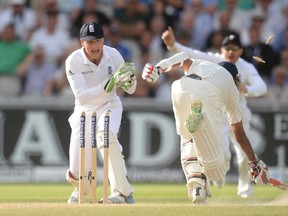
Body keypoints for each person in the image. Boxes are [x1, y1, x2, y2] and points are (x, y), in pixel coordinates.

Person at [141, 52, 270, 204]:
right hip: (207, 98)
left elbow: (182, 57)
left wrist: (159, 68)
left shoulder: (203, 65)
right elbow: (239, 135)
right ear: (236, 79)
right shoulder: (232, 88)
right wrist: (254, 162)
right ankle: (199, 126)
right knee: (216, 171)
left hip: (179, 88)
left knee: (187, 139)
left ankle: (198, 188)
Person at [161, 27, 267, 198]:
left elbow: (262, 87)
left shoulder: (245, 67)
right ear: (222, 50)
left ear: (240, 50)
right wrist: (173, 45)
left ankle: (244, 189)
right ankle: (215, 177)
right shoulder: (214, 60)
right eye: (227, 48)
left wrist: (246, 89)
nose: (230, 51)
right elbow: (190, 52)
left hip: (236, 113)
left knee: (239, 156)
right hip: (219, 115)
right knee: (223, 154)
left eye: (234, 48)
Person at [65, 21, 137, 204]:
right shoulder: (73, 60)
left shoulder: (114, 55)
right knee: (77, 161)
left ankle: (122, 192)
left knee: (106, 138)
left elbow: (131, 90)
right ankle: (83, 189)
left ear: (103, 40)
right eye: (90, 42)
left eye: (98, 41)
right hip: (84, 110)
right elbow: (81, 97)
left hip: (109, 105)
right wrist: (109, 84)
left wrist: (129, 81)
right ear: (82, 42)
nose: (95, 46)